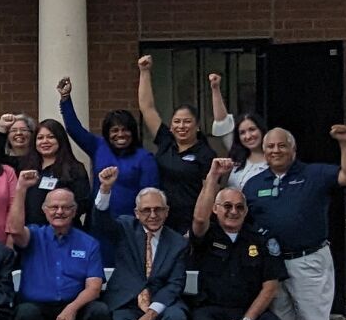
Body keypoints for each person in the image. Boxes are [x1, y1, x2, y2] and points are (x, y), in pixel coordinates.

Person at [242, 124, 346, 320]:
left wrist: (345, 143)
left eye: (282, 145)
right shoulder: (254, 183)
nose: (275, 151)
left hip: (309, 259)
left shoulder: (314, 174)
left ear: (293, 149)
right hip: (272, 265)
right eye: (270, 146)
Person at [6, 169, 115, 320]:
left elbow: (94, 287)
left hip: (76, 305)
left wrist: (71, 309)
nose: (59, 212)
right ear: (44, 211)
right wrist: (21, 189)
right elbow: (14, 230)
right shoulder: (33, 235)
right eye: (54, 207)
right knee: (24, 315)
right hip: (38, 306)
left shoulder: (88, 243)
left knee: (100, 313)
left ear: (75, 211)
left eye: (66, 207)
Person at [188, 162, 290, 320]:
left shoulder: (261, 240)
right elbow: (199, 218)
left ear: (246, 211)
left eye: (239, 207)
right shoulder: (207, 235)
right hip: (212, 306)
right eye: (227, 206)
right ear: (216, 209)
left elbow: (270, 286)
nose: (233, 211)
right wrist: (213, 176)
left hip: (247, 309)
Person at [101, 184, 190, 320]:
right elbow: (100, 221)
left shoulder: (178, 242)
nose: (153, 215)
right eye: (146, 210)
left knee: (177, 318)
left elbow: (175, 283)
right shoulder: (125, 227)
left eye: (158, 210)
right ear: (136, 213)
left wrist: (152, 311)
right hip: (128, 301)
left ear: (167, 212)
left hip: (162, 302)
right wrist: (104, 190)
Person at [59, 77, 157, 223]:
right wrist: (65, 99)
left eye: (125, 130)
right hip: (98, 222)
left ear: (133, 132)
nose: (120, 135)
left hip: (130, 226)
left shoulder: (144, 158)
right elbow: (74, 129)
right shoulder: (99, 146)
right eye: (114, 130)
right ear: (107, 133)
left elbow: (150, 196)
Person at [135, 55, 216, 229]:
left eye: (187, 122)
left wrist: (198, 226)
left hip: (190, 224)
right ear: (171, 125)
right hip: (162, 222)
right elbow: (146, 107)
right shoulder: (166, 141)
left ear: (198, 126)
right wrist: (144, 71)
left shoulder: (205, 154)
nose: (181, 126)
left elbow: (209, 194)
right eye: (177, 121)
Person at [208, 72, 270, 191]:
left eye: (252, 129)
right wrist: (215, 88)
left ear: (261, 130)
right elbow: (222, 122)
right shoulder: (238, 157)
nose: (248, 136)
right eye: (242, 132)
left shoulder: (274, 158)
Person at [28, 117, 95, 222]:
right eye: (40, 138)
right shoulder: (27, 167)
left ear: (60, 139)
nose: (45, 141)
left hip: (64, 231)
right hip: (32, 231)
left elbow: (83, 203)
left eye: (51, 137)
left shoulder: (75, 168)